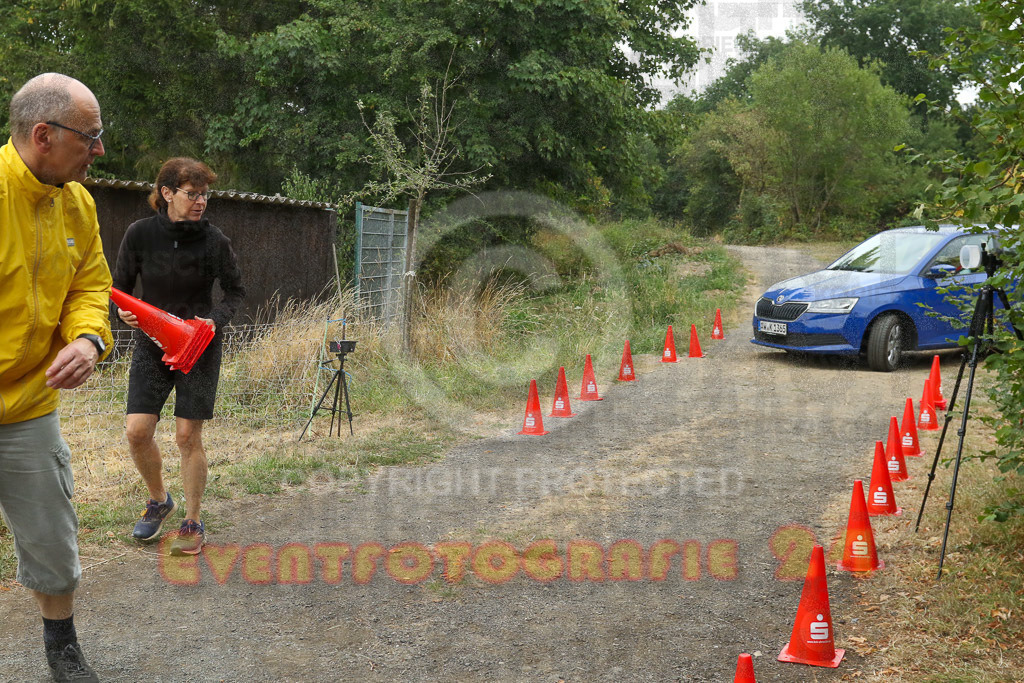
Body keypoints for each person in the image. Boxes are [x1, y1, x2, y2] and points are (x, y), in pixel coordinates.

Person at [0, 73, 112, 682]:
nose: (100, 150)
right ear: (44, 135)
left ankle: (62, 649)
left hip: (29, 409)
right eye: (90, 138)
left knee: (52, 538)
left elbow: (90, 285)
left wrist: (89, 338)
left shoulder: (79, 203)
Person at [112, 157, 244, 556]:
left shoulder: (215, 241)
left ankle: (193, 520)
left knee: (188, 436)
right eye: (192, 194)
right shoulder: (139, 235)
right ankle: (159, 500)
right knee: (137, 431)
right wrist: (123, 312)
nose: (201, 201)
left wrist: (212, 321)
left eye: (205, 194)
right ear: (167, 193)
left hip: (199, 347)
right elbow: (118, 289)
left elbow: (235, 292)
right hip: (153, 346)